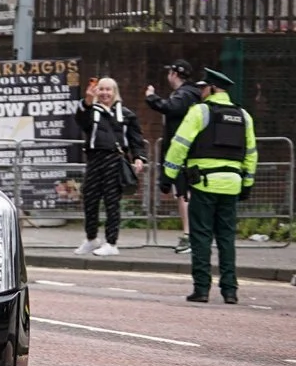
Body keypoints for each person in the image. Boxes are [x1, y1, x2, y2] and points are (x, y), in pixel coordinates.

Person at [161, 68, 257, 304]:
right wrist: (247, 184)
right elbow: (251, 154)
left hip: (204, 184)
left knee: (201, 237)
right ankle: (230, 291)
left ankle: (202, 289)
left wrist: (168, 175)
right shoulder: (244, 116)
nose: (201, 92)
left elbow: (179, 145)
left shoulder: (200, 112)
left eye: (203, 88)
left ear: (213, 88)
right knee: (226, 238)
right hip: (232, 185)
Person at [73, 76, 145, 256]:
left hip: (115, 160)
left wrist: (138, 157)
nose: (105, 93)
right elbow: (81, 119)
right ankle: (91, 239)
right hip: (94, 159)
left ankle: (111, 243)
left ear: (115, 92)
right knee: (90, 200)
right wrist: (88, 100)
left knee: (112, 203)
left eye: (108, 89)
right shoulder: (91, 111)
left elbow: (136, 139)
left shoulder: (126, 114)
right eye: (101, 89)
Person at [146, 62, 204, 253]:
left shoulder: (184, 94)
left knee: (183, 194)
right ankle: (194, 235)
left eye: (169, 73)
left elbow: (170, 107)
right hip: (191, 151)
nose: (168, 77)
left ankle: (189, 237)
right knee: (187, 194)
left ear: (174, 74)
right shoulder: (194, 93)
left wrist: (151, 98)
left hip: (182, 152)